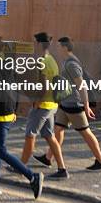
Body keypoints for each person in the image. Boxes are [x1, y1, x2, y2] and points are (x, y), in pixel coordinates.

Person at [0, 36, 44, 198]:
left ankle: (32, 176)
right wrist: (14, 109)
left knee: (0, 150)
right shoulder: (7, 62)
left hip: (1, 111)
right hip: (7, 108)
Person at [34, 37, 101, 172]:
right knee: (58, 129)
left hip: (73, 104)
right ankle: (48, 157)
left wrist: (86, 105)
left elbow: (82, 85)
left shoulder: (71, 64)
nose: (56, 48)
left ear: (64, 47)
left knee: (86, 132)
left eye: (59, 46)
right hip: (65, 103)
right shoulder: (67, 61)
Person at [19, 32, 68, 180]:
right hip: (52, 104)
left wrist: (36, 101)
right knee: (49, 136)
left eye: (34, 42)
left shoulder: (42, 61)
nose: (33, 44)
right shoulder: (51, 60)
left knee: (30, 135)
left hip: (42, 105)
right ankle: (62, 169)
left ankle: (21, 166)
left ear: (39, 44)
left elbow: (44, 86)